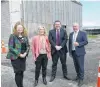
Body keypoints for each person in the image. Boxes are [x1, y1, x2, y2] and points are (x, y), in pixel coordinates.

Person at [7, 22, 30, 87]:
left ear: (23, 29)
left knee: (22, 71)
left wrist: (25, 53)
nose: (20, 29)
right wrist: (19, 54)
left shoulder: (25, 36)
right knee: (18, 72)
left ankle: (21, 85)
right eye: (18, 28)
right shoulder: (12, 36)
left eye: (21, 28)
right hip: (15, 56)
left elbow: (28, 46)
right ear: (16, 29)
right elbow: (10, 47)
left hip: (23, 56)